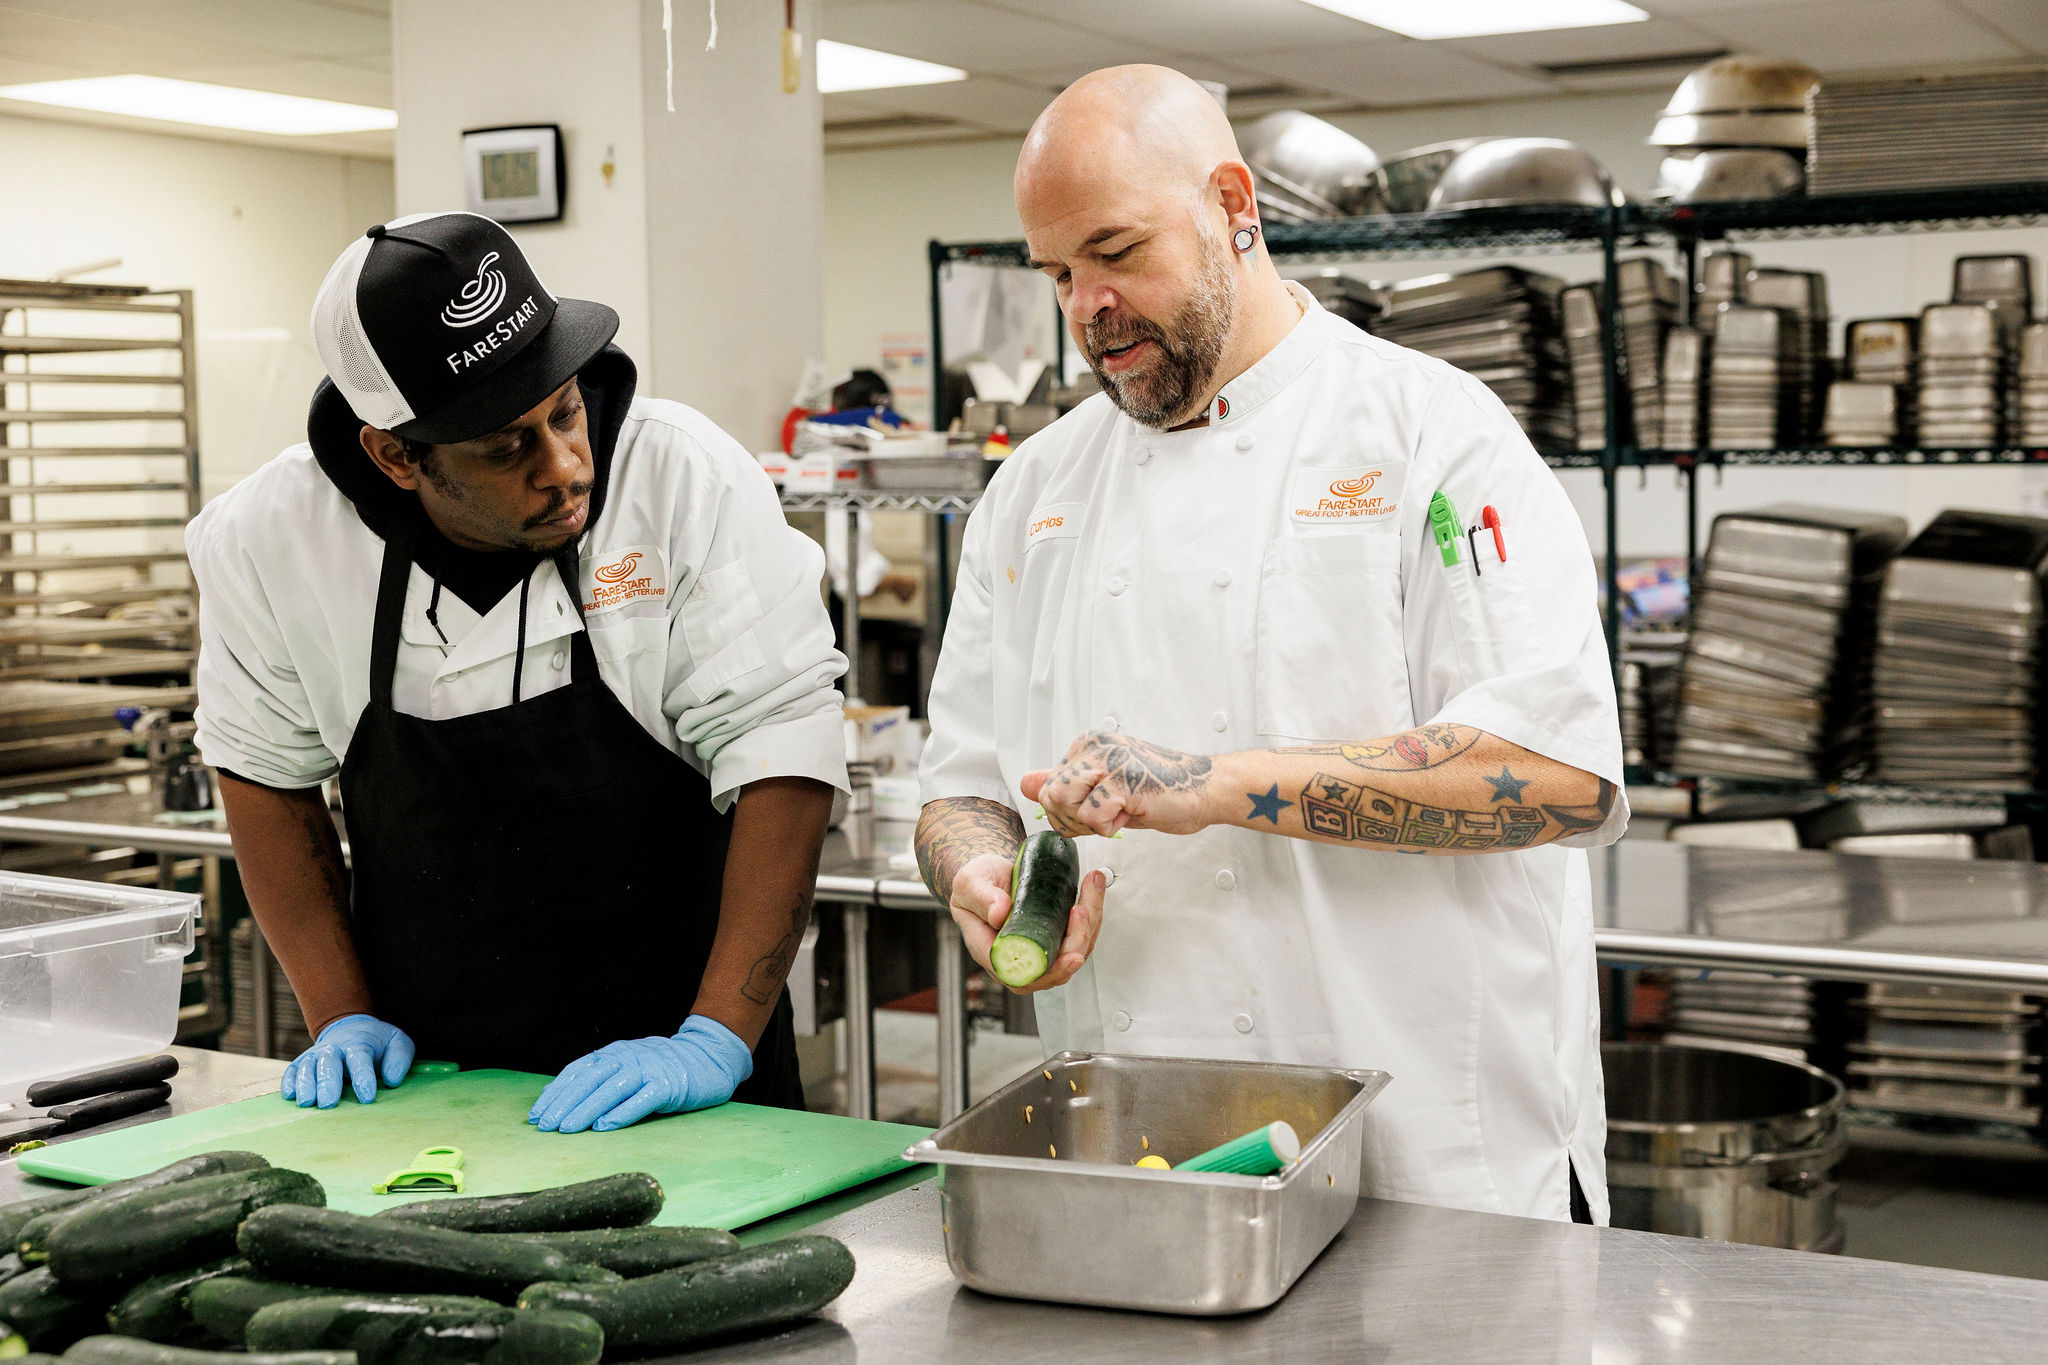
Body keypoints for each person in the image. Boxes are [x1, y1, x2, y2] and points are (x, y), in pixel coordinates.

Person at [914, 67, 1628, 1223]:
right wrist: (976, 876)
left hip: (1433, 1168)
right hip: (1150, 1160)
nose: (1087, 307)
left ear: (1232, 207)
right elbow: (959, 788)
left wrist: (1218, 784)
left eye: (1116, 251)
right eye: (1056, 273)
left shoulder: (1432, 439)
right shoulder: (1034, 492)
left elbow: (1558, 780)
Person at [191, 212, 847, 1133]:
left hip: (689, 1083)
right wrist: (340, 1012)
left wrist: (714, 1040)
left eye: (567, 410)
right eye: (507, 448)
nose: (566, 466)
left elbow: (782, 750)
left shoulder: (680, 478)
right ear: (393, 454)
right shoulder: (274, 539)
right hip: (426, 1089)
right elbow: (263, 772)